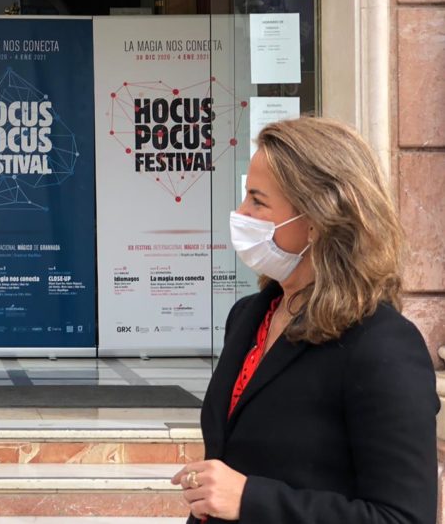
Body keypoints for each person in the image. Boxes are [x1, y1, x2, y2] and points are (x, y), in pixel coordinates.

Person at [172, 116, 440, 523]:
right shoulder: (249, 317)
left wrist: (250, 499)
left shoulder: (382, 345)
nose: (241, 213)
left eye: (257, 201)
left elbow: (402, 517)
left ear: (317, 220)